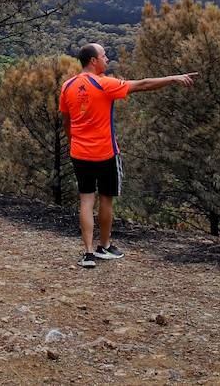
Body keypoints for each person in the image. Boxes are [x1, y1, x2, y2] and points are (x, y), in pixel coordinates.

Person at [59, 43, 194, 268]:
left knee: (86, 200)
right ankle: (104, 246)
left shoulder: (67, 86)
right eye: (104, 56)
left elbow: (66, 121)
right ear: (93, 61)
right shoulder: (105, 85)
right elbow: (142, 85)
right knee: (105, 200)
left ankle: (88, 253)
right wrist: (173, 78)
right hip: (105, 153)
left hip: (79, 153)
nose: (107, 59)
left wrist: (73, 141)